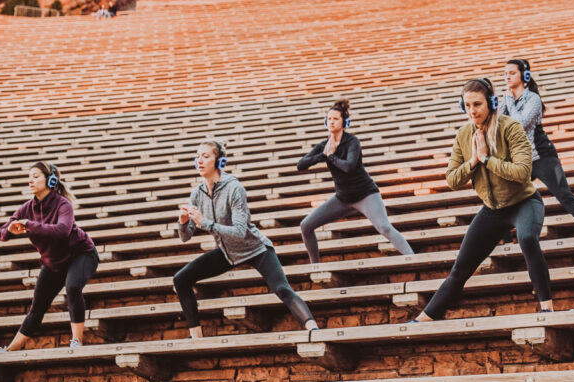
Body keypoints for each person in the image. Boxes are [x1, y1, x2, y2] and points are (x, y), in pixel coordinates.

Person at [412, 78, 552, 321]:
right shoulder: (464, 135)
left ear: (492, 102)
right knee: (461, 267)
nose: (472, 111)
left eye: (477, 104)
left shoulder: (510, 127)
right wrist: (474, 161)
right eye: (466, 105)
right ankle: (423, 319)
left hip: (524, 202)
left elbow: (522, 172)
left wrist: (487, 159)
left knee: (527, 237)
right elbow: (452, 179)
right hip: (492, 209)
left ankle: (547, 306)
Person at [174, 140, 318, 337]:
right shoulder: (196, 194)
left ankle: (313, 328)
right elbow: (185, 237)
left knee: (282, 288)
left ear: (220, 162)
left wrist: (205, 223)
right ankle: (196, 337)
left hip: (256, 249)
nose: (199, 160)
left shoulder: (234, 188)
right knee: (180, 279)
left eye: (205, 156)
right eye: (197, 156)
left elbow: (240, 232)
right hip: (227, 253)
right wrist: (182, 222)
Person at [0, 162, 98, 351]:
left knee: (73, 287)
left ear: (51, 180)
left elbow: (63, 231)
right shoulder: (26, 208)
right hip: (53, 263)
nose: (30, 180)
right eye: (29, 176)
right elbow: (1, 234)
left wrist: (30, 225)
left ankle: (77, 341)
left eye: (35, 176)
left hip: (81, 254)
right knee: (37, 307)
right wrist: (9, 230)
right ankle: (11, 349)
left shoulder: (63, 204)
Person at [297, 100, 413, 262]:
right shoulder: (324, 146)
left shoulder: (352, 142)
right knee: (306, 226)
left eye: (335, 119)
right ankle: (315, 266)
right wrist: (322, 155)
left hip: (366, 195)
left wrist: (331, 156)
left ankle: (412, 257)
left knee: (384, 227)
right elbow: (301, 165)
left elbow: (349, 166)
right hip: (342, 199)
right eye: (329, 118)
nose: (331, 121)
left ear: (344, 122)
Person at [499, 59, 574, 235]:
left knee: (564, 195)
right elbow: (497, 124)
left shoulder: (533, 98)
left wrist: (509, 102)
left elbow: (519, 124)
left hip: (542, 157)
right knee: (504, 197)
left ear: (525, 75)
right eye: (505, 73)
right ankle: (505, 240)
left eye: (512, 73)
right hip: (520, 160)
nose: (507, 76)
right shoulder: (505, 100)